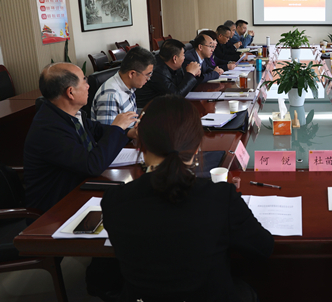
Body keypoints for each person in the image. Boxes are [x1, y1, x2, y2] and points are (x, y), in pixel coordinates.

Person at [102, 95, 274, 301]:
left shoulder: (113, 201)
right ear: (197, 147)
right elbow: (263, 247)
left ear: (140, 144)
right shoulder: (220, 198)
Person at [24, 63, 137, 212]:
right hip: (55, 210)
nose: (88, 86)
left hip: (79, 190)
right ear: (70, 92)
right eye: (84, 80)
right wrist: (116, 128)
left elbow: (97, 130)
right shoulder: (48, 128)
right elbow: (92, 166)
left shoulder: (68, 114)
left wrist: (128, 132)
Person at [92, 46, 156, 125]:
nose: (148, 79)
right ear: (132, 74)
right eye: (147, 75)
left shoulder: (128, 85)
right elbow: (108, 132)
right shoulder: (110, 96)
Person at [135, 39, 200, 108]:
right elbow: (175, 97)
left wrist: (192, 74)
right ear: (175, 58)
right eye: (183, 55)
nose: (184, 58)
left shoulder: (173, 66)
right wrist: (190, 74)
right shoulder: (158, 71)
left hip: (160, 105)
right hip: (146, 109)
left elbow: (180, 86)